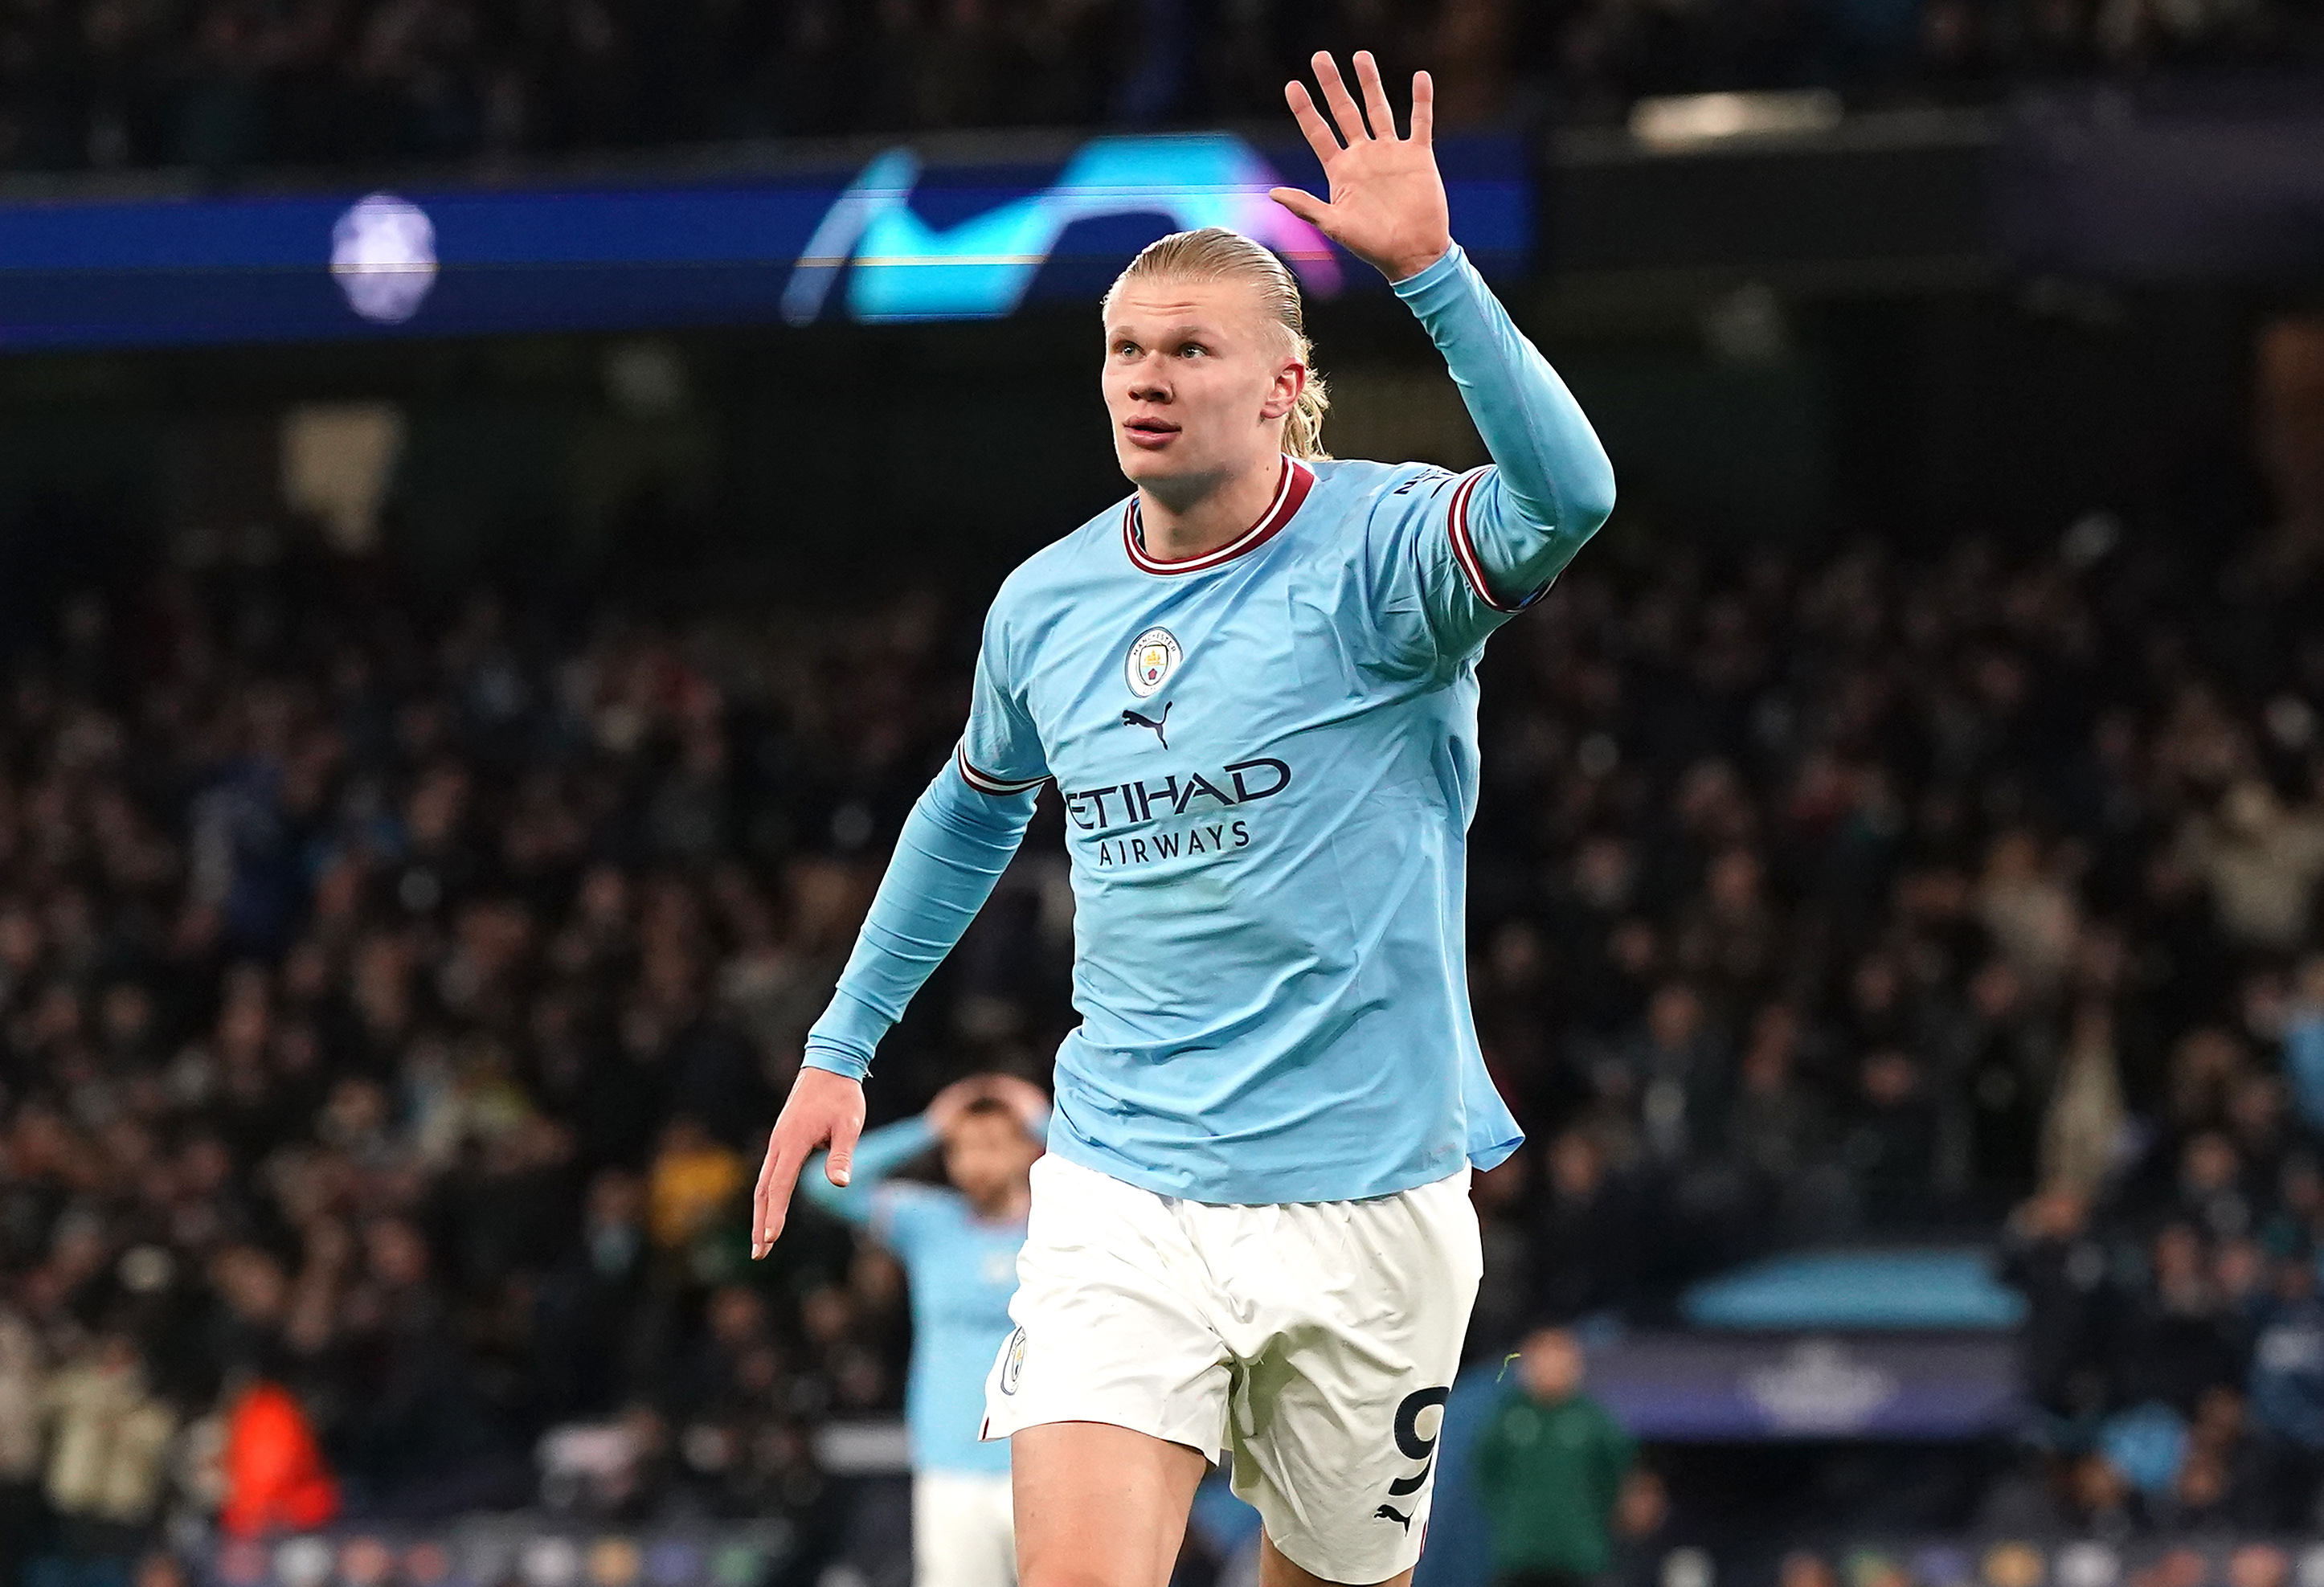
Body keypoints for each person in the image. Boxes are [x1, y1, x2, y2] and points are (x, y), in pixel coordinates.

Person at [751, 47, 1615, 1587]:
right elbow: (969, 810)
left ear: (1285, 386)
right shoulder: (1047, 603)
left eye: (1189, 349)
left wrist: (1431, 273)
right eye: (1124, 348)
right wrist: (841, 1044)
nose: (1146, 378)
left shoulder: (1383, 551)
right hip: (1125, 1185)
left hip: (1371, 1198)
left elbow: (1570, 497)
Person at [801, 1074, 1049, 1587]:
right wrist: (928, 1126)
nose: (977, 1160)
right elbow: (822, 1183)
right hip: (950, 1465)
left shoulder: (1063, 1225)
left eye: (995, 1144)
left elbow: (1133, 1188)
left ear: (1029, 1151)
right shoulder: (929, 1223)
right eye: (962, 1148)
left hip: (1046, 1463)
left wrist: (1045, 1122)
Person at [1473, 1329, 1644, 1587]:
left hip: (1579, 1557)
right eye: (1542, 1358)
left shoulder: (1594, 1420)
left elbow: (1616, 1476)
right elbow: (1488, 1474)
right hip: (1519, 1556)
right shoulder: (1506, 1417)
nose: (1550, 1366)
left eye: (1559, 1357)